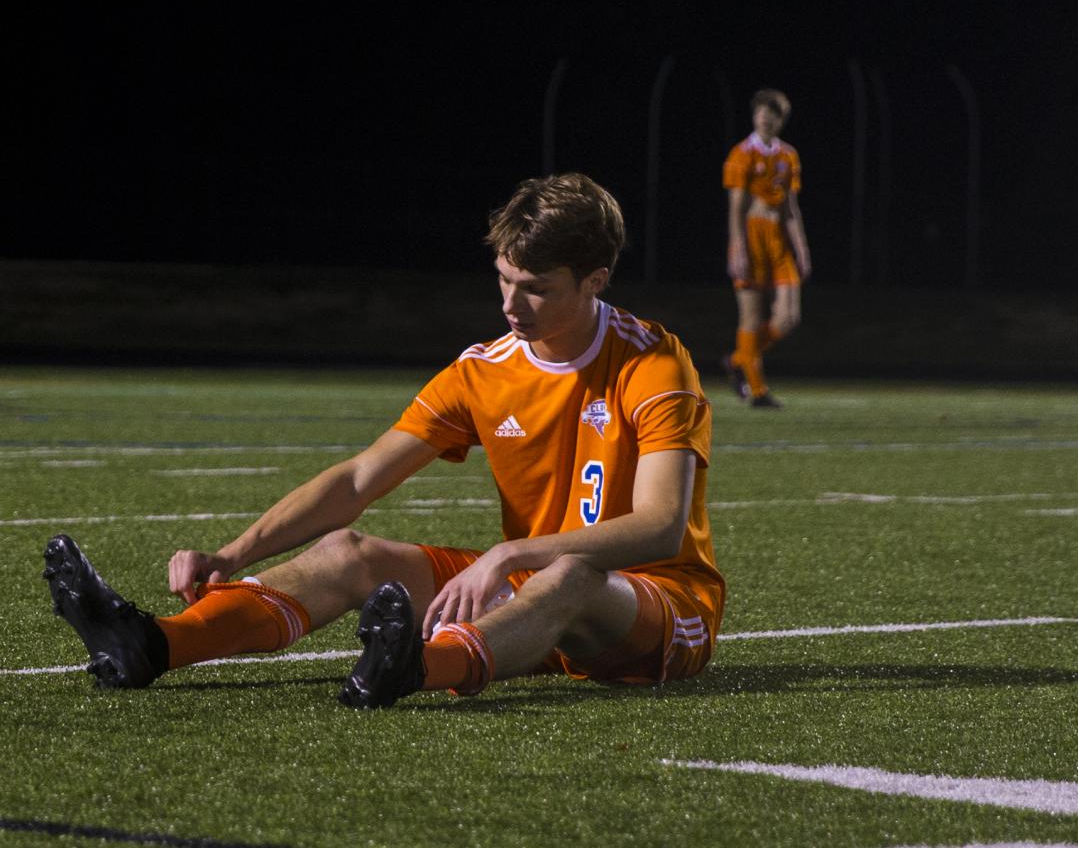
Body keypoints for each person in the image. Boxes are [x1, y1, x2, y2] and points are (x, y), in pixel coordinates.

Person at [43, 173, 724, 708]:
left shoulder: (653, 363)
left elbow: (660, 528)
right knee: (346, 552)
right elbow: (359, 480)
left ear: (595, 281)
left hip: (657, 610)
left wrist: (509, 553)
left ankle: (419, 666)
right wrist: (233, 551)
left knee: (570, 571)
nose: (511, 307)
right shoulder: (485, 368)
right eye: (503, 280)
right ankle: (154, 642)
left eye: (536, 290)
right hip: (529, 594)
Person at [722, 88, 811, 408]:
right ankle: (758, 391)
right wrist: (738, 247)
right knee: (751, 316)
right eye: (760, 110)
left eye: (771, 112)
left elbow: (790, 209)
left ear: (780, 119)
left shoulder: (788, 156)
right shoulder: (741, 153)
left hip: (779, 240)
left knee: (788, 317)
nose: (764, 116)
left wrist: (801, 248)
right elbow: (736, 207)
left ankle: (737, 360)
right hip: (751, 236)